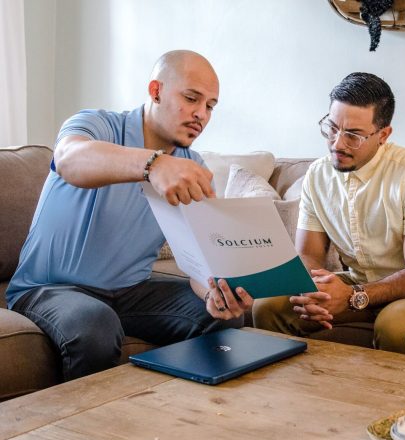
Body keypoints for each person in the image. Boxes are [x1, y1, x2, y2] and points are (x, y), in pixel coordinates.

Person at [5, 50, 254, 381]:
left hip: (132, 291)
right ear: (156, 91)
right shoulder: (98, 125)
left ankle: (182, 421)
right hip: (51, 288)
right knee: (95, 323)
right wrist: (153, 165)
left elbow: (198, 258)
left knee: (225, 320)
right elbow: (69, 159)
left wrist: (214, 293)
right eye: (191, 98)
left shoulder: (192, 168)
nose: (201, 115)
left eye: (210, 106)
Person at [253, 72, 405, 354]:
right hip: (358, 282)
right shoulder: (318, 175)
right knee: (269, 306)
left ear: (383, 135)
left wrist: (353, 297)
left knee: (396, 325)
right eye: (331, 128)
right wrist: (313, 291)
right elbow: (308, 256)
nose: (337, 143)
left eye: (353, 135)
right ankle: (293, 393)